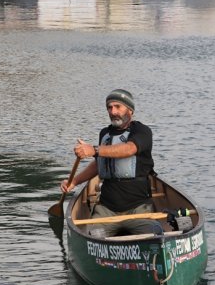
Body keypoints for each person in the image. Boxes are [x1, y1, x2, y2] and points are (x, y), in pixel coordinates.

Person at [60, 89, 161, 238]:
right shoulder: (104, 134)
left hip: (138, 208)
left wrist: (93, 149)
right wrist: (74, 181)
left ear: (130, 110)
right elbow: (98, 163)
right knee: (94, 236)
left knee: (154, 234)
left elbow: (129, 149)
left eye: (117, 107)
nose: (113, 111)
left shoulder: (142, 131)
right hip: (107, 209)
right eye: (109, 107)